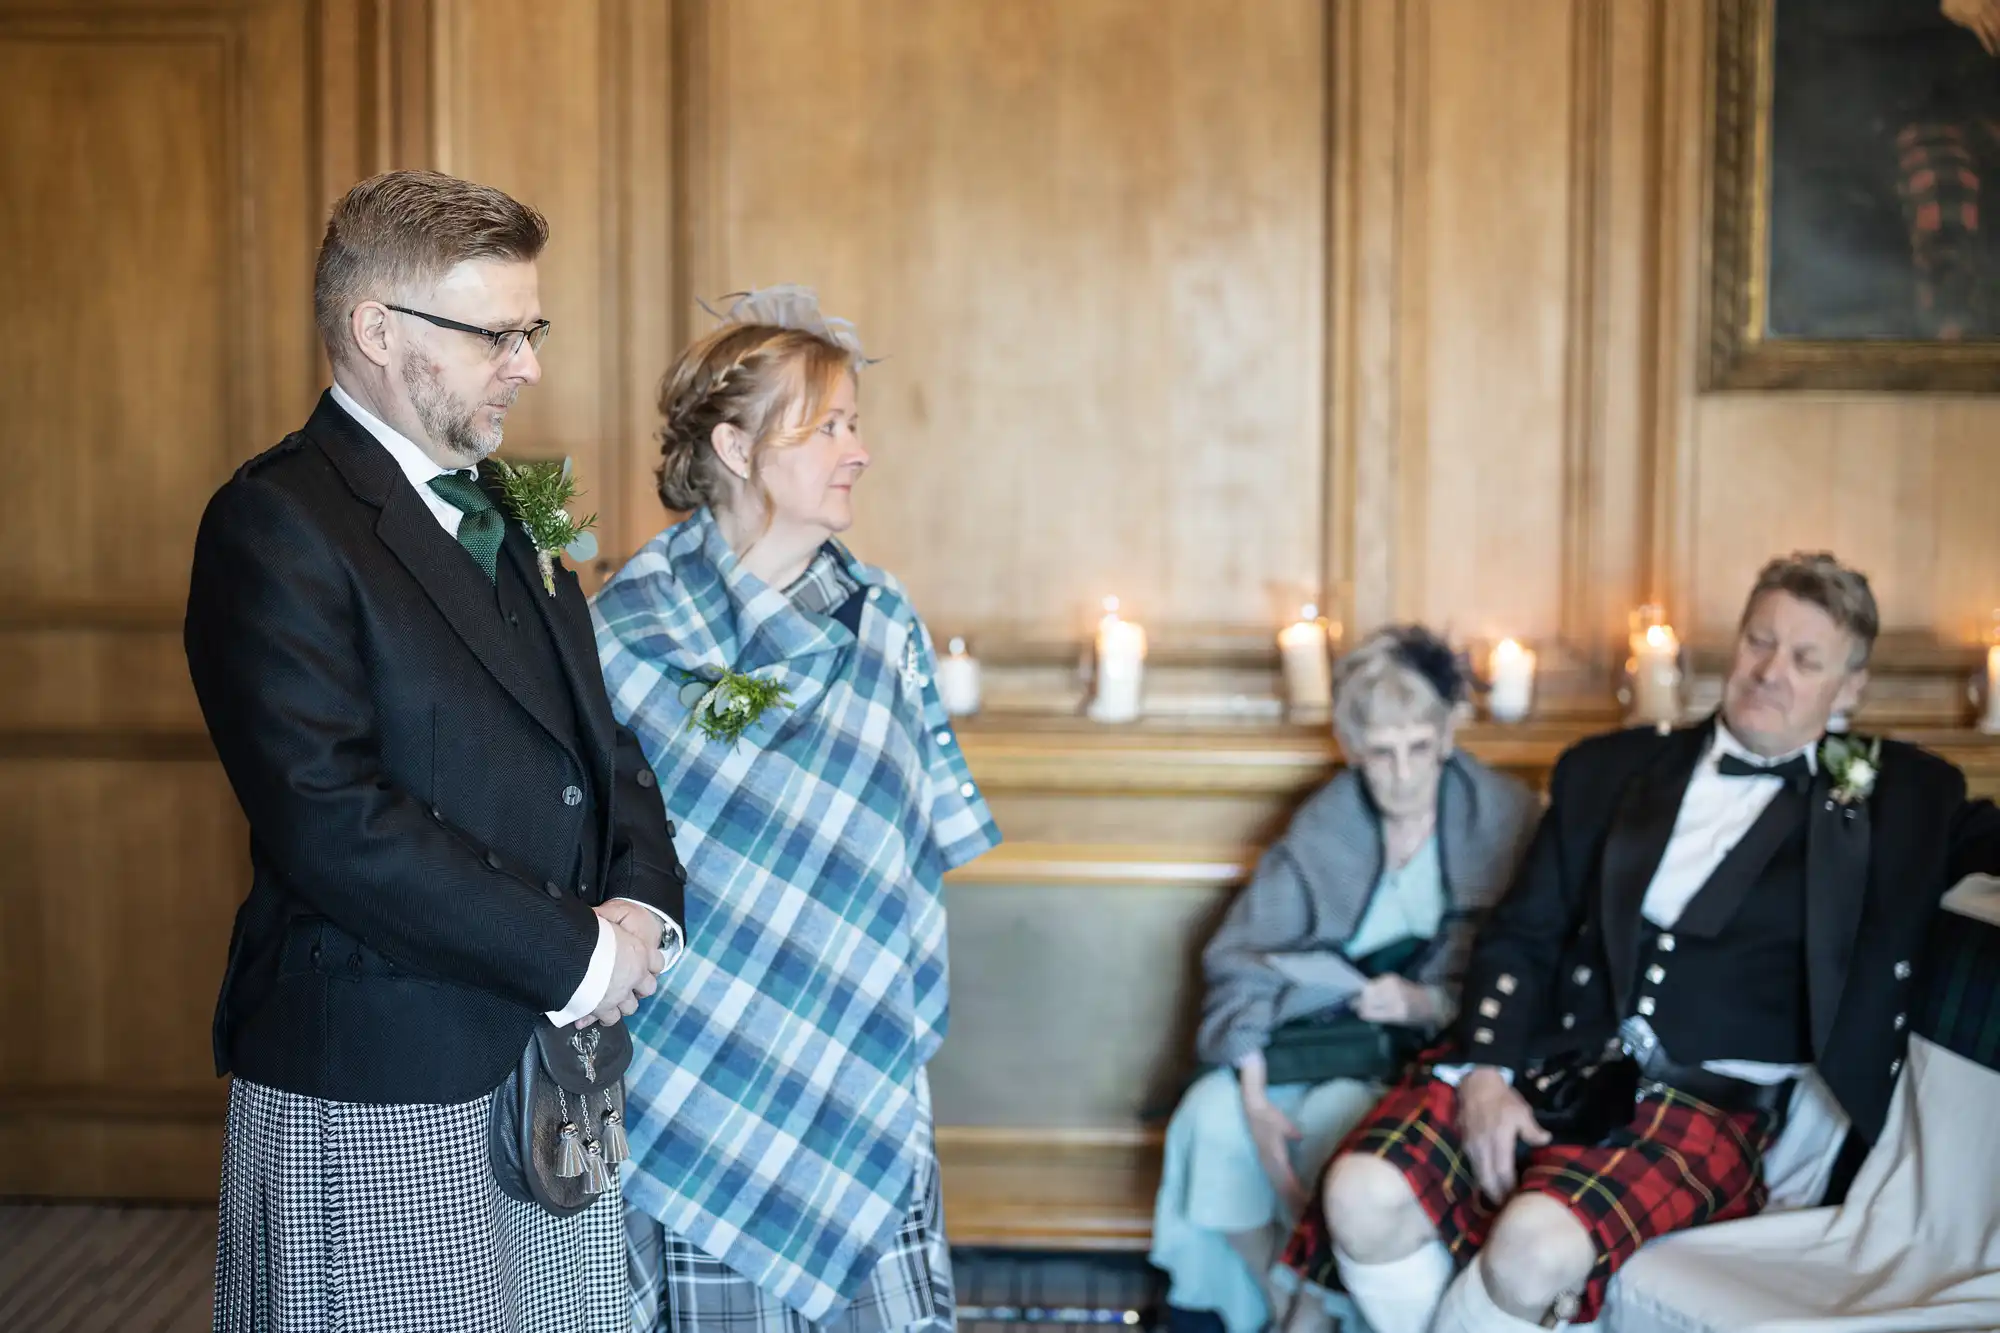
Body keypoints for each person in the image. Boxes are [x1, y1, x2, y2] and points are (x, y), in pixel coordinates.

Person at [187, 169, 687, 1332]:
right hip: (382, 1071)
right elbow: (329, 816)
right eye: (496, 334)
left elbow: (597, 740)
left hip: (551, 1063)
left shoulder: (511, 502)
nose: (528, 363)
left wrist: (643, 907)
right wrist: (573, 950)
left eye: (532, 330)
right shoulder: (276, 522)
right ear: (374, 329)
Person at [1277, 552, 2000, 1333]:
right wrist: (1487, 1071)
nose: (1770, 671)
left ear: (1849, 686)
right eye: (1759, 641)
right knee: (1358, 1191)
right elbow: (1522, 931)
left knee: (1532, 1247)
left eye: (1805, 657)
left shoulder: (1903, 795)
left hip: (1710, 1105)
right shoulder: (1611, 769)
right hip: (1556, 1063)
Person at [593, 287, 1001, 1333]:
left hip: (851, 1054)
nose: (856, 450)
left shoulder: (881, 621)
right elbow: (587, 850)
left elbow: (908, 856)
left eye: (854, 424)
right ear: (733, 446)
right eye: (826, 427)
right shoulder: (621, 630)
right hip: (690, 1064)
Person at [1151, 629, 1540, 1333]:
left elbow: (1525, 962)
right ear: (1353, 748)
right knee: (1210, 1115)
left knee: (1338, 1121)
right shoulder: (1326, 821)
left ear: (1448, 736)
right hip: (1312, 1036)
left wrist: (1425, 1001)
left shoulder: (1501, 817)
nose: (1401, 773)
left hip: (1425, 1057)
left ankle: (1319, 1311)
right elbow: (1244, 953)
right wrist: (1253, 1095)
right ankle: (1277, 1300)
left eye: (1419, 747)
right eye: (1380, 752)